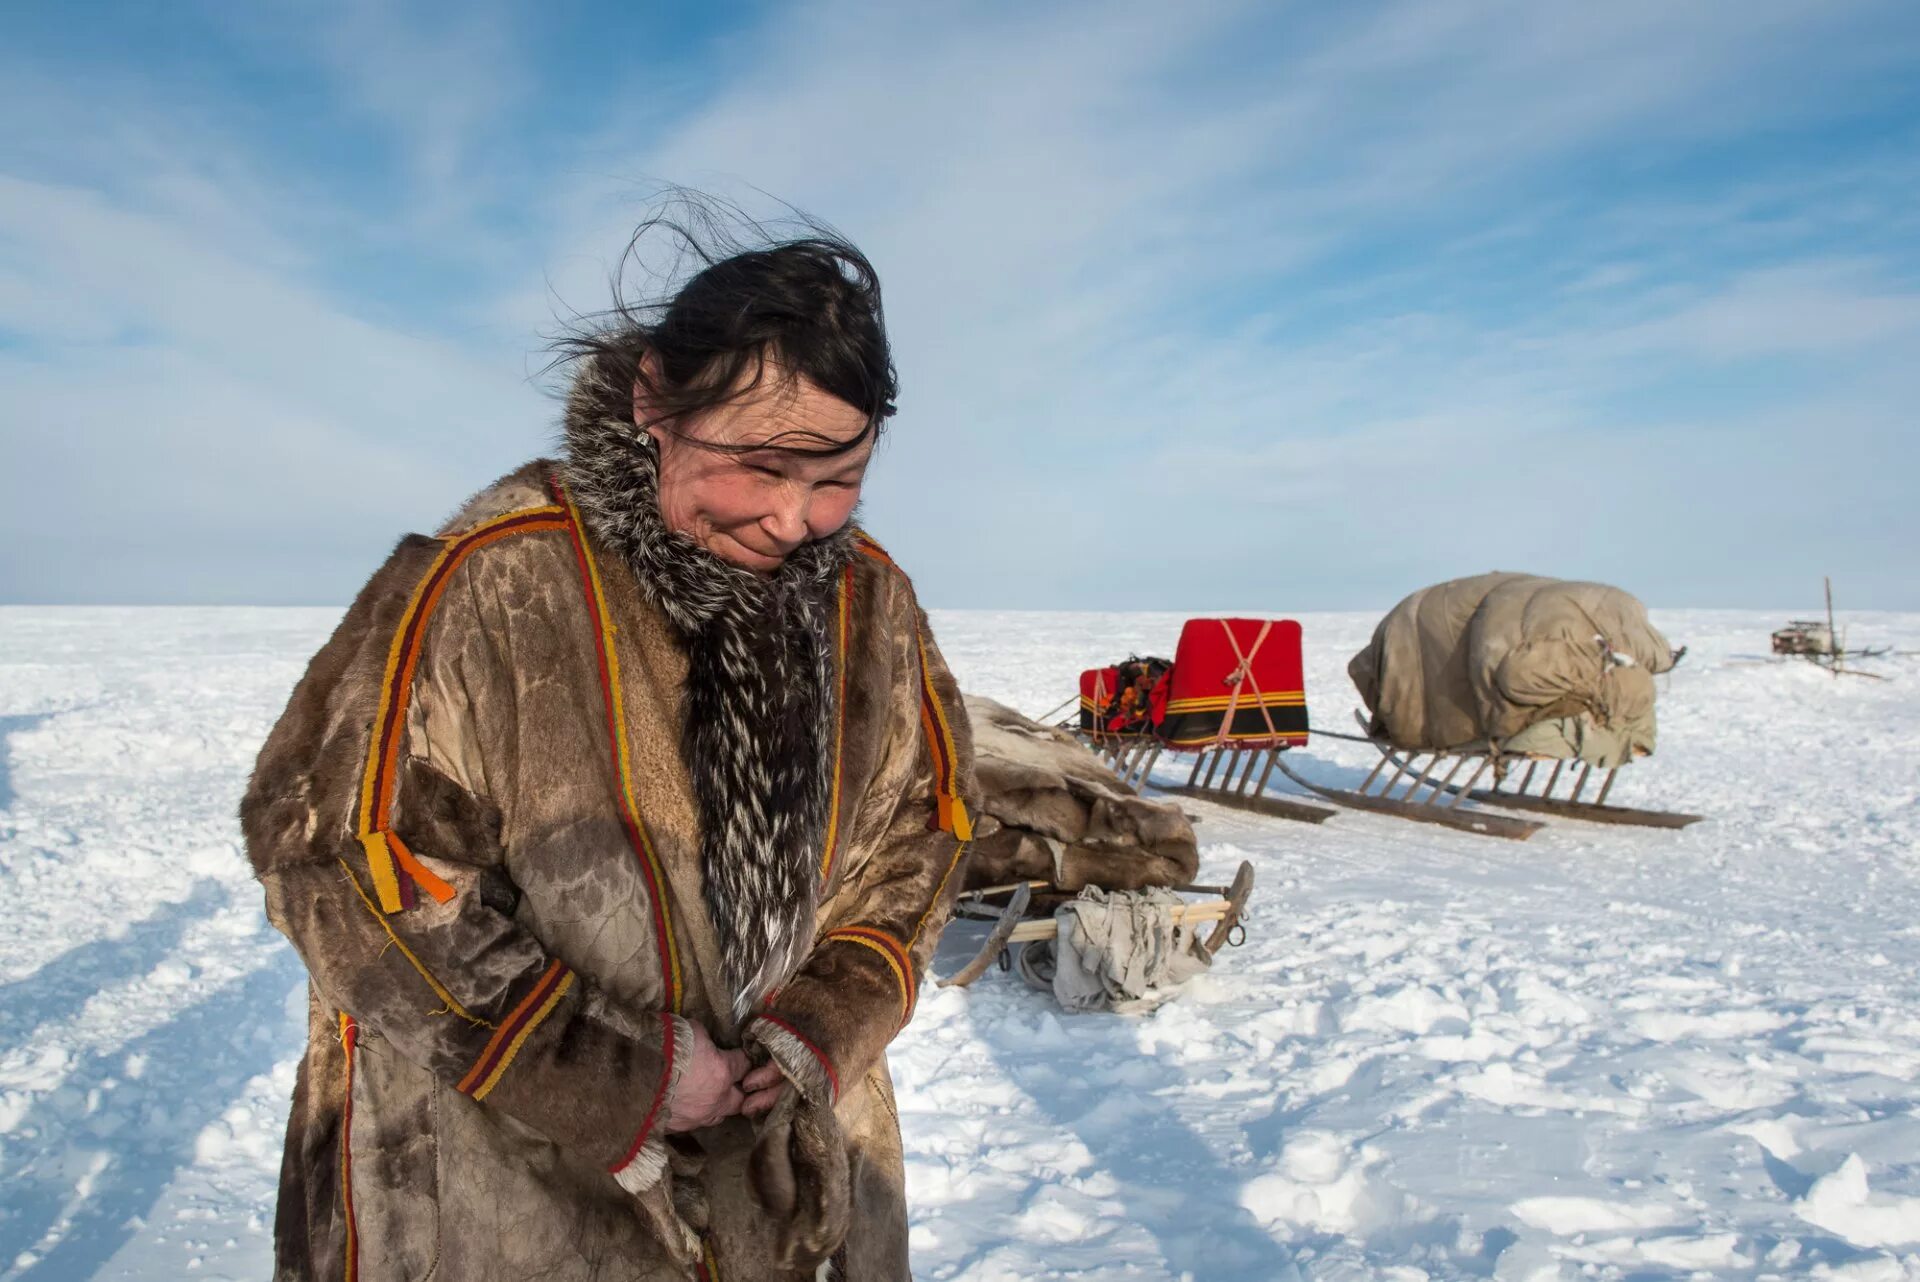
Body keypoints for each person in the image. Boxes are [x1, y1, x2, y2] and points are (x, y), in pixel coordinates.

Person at [241, 208, 978, 1281]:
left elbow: (927, 830)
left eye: (837, 481)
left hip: (782, 1187)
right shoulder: (494, 578)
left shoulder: (873, 605)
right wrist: (612, 1073)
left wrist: (826, 1022)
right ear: (652, 404)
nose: (792, 519)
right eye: (764, 468)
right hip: (515, 1186)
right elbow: (344, 858)